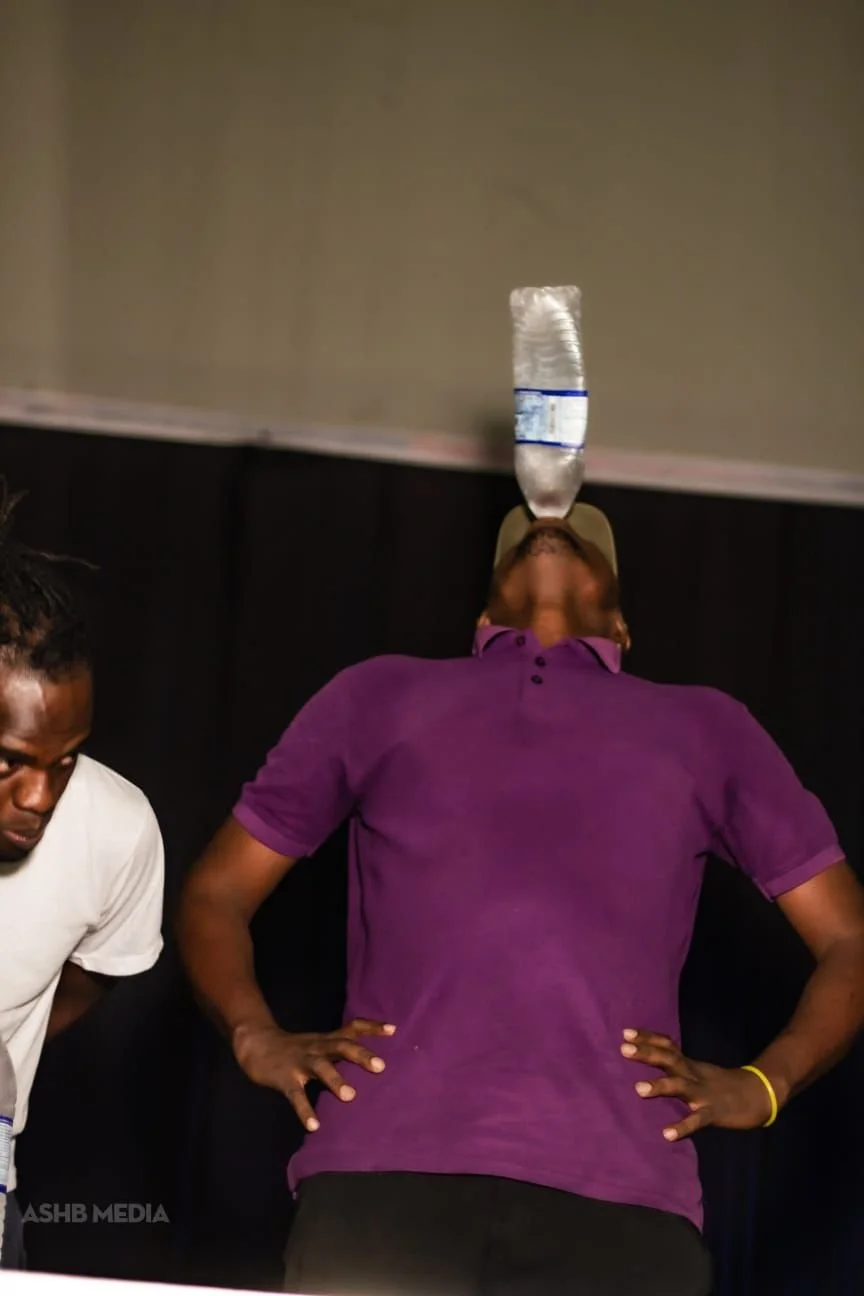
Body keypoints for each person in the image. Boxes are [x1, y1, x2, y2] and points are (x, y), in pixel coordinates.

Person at [178, 502, 864, 1296]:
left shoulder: (705, 727)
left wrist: (767, 1083)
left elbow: (849, 939)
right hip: (385, 1176)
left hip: (623, 1199)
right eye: (531, 526)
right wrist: (252, 1032)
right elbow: (215, 891)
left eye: (583, 530)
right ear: (480, 611)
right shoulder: (379, 695)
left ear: (624, 623)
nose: (556, 519)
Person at [0, 484, 165, 1269]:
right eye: (9, 762)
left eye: (62, 760)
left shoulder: (115, 828)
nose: (39, 796)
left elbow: (92, 977)